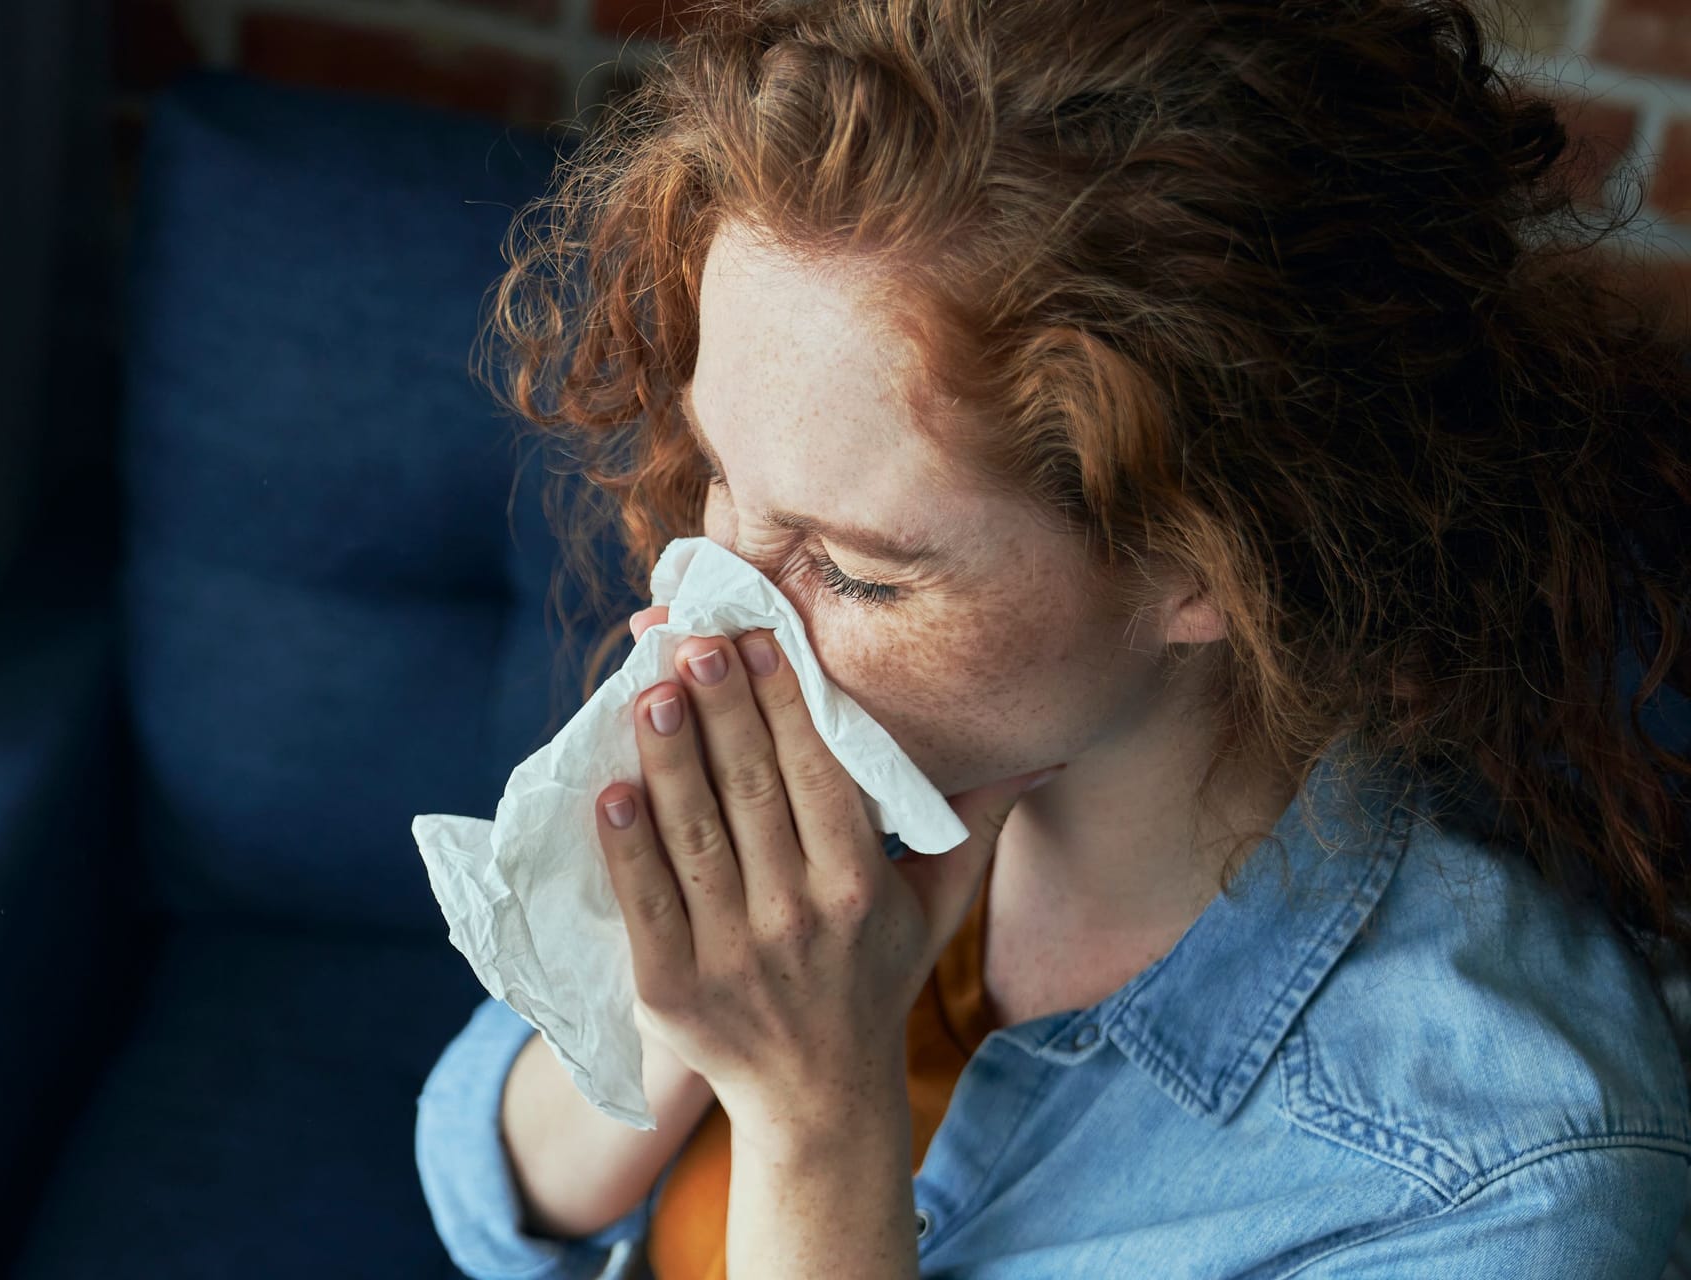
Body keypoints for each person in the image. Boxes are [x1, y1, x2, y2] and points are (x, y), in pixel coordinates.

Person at [415, 0, 1691, 1275]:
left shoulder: (1497, 1192)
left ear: (1211, 560)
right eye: (716, 481)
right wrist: (694, 999)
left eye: (853, 571)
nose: (705, 612)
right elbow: (491, 1200)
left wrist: (815, 1112)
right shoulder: (885, 746)